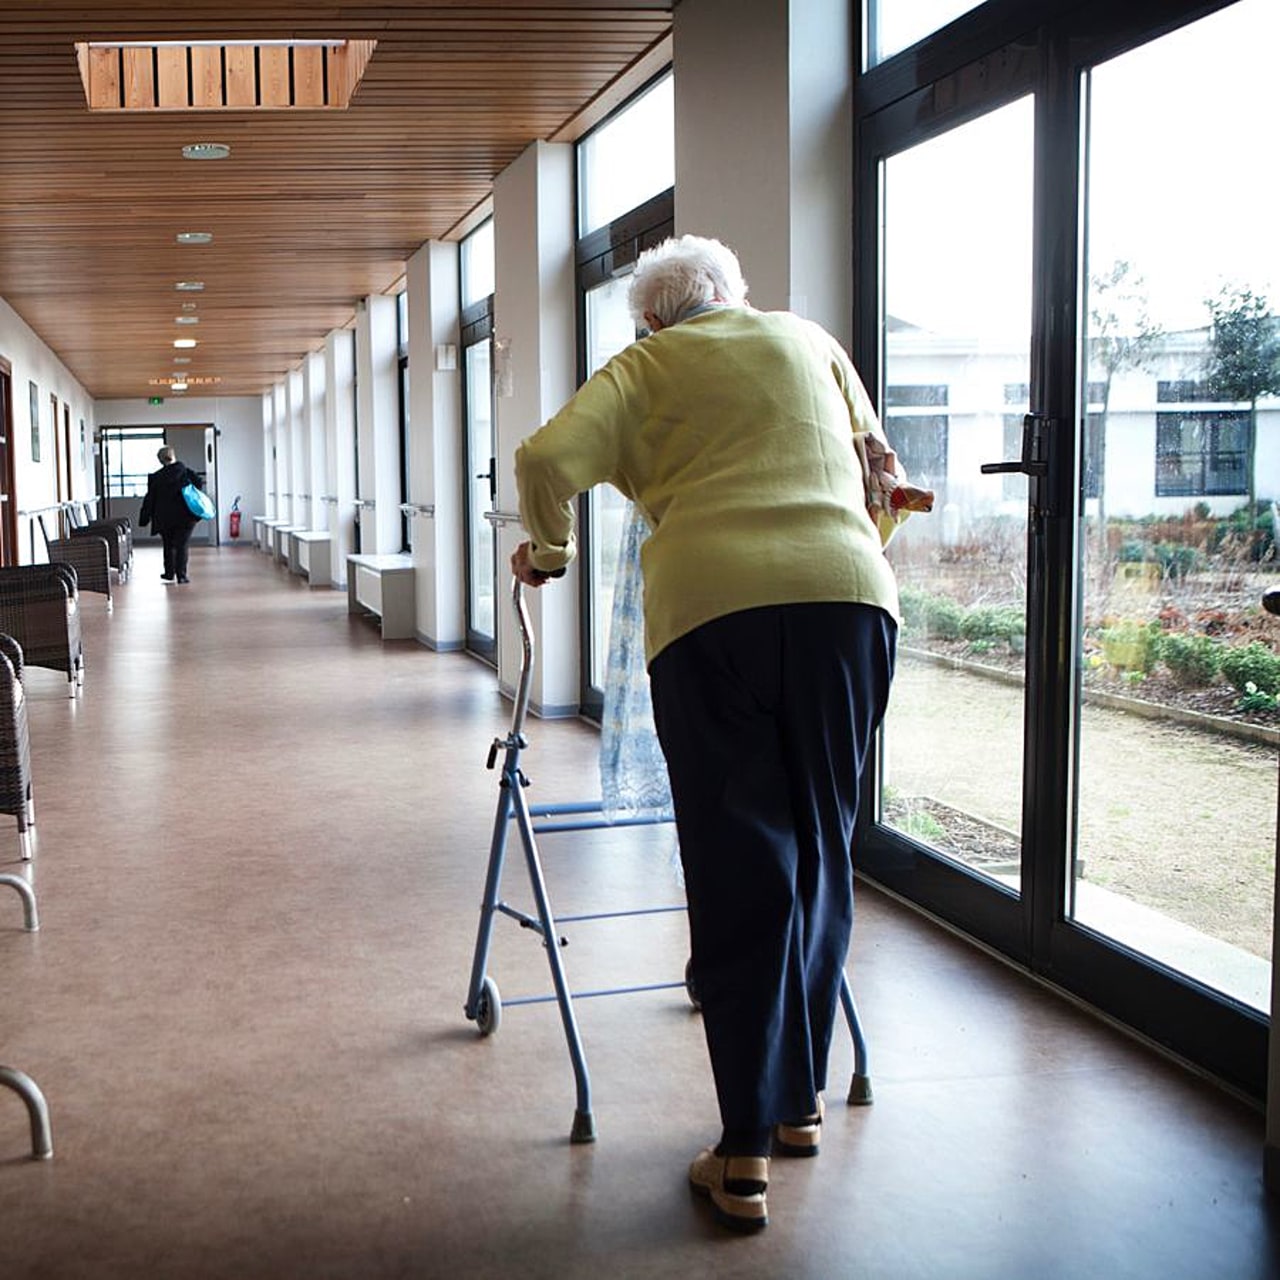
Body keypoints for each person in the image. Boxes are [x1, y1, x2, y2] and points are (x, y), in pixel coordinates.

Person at [513, 235, 915, 1233]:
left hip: (711, 616)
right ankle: (800, 1104)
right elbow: (881, 478)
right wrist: (853, 548)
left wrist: (549, 551)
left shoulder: (643, 365)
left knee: (741, 864)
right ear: (735, 298)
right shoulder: (808, 341)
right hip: (847, 605)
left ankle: (740, 1150)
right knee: (822, 848)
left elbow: (542, 458)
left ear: (651, 320)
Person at [138, 446, 200, 584]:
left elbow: (150, 499)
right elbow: (198, 486)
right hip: (186, 517)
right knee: (182, 545)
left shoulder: (156, 477)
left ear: (160, 460)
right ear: (173, 456)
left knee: (168, 545)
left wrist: (144, 518)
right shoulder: (186, 472)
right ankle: (182, 576)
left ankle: (169, 573)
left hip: (164, 518)